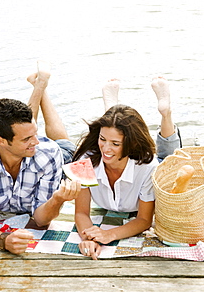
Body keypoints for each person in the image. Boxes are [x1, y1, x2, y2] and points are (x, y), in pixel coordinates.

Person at [0, 61, 81, 255]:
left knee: (62, 141)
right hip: (14, 150)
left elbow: (41, 219)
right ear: (1, 141)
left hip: (62, 155)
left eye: (35, 134)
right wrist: (2, 240)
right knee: (28, 131)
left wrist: (57, 199)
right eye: (27, 139)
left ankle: (41, 88)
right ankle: (40, 86)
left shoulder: (48, 153)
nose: (37, 141)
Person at [74, 77, 181, 260]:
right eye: (102, 139)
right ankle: (112, 108)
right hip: (120, 155)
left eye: (115, 143)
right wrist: (89, 237)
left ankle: (166, 113)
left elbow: (144, 220)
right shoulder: (86, 161)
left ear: (130, 144)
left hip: (149, 162)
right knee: (112, 126)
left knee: (170, 159)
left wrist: (109, 235)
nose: (106, 149)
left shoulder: (148, 168)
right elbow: (81, 212)